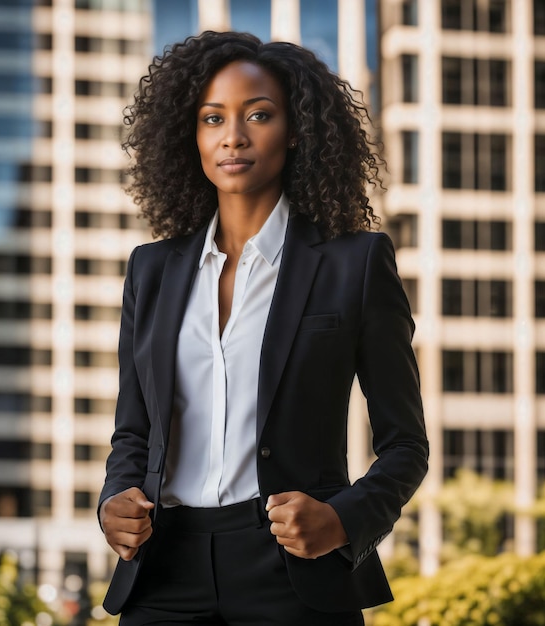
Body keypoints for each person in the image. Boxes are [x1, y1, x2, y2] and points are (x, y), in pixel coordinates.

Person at [98, 30, 428, 626]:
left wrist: (344, 520)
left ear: (297, 129)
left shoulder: (354, 264)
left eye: (259, 115)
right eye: (212, 118)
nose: (233, 136)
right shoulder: (152, 270)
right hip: (162, 569)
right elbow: (133, 433)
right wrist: (112, 502)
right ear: (190, 137)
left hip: (294, 572)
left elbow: (406, 446)